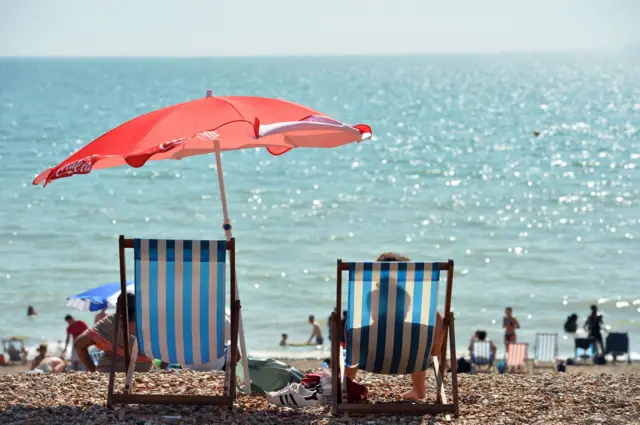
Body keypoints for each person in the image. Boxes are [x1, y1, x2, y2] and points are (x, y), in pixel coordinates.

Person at [345, 252, 445, 401]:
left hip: (370, 356)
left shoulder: (372, 296)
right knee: (417, 339)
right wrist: (435, 349)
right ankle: (419, 391)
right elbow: (438, 322)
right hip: (412, 359)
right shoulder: (405, 296)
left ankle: (347, 385)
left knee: (355, 339)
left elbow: (354, 324)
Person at [74, 292, 153, 373]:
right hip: (141, 371)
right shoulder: (149, 322)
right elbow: (158, 354)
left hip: (109, 370)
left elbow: (79, 344)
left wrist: (92, 370)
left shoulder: (108, 322)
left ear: (117, 305)